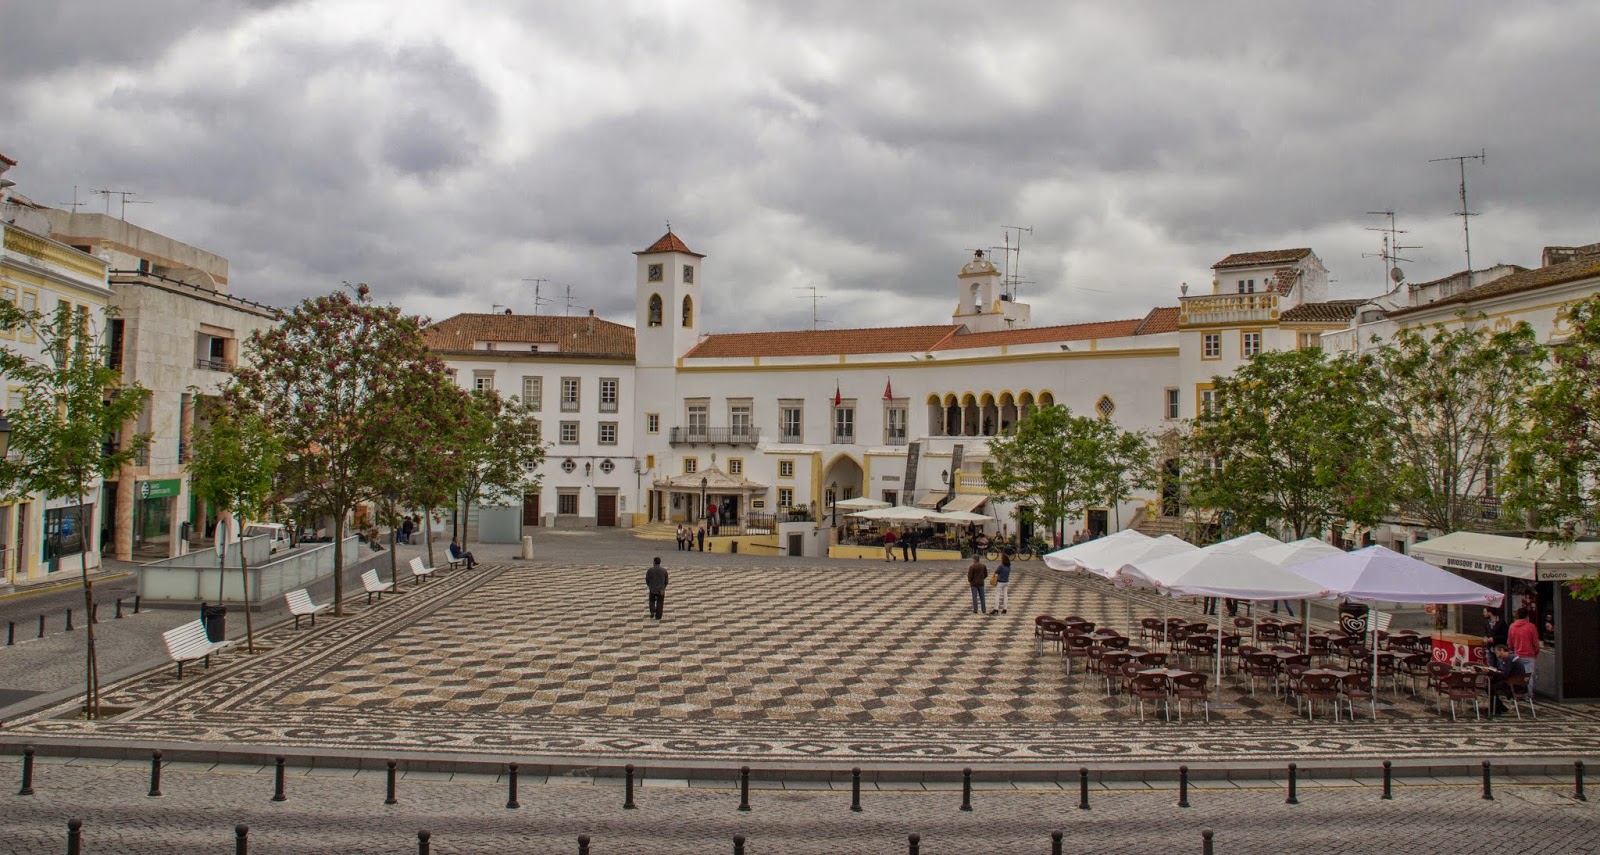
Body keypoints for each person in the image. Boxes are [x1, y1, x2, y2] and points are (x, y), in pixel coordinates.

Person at [1487, 643, 1527, 716]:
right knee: (1492, 684)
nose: (1496, 655)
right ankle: (1498, 707)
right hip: (1521, 684)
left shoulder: (1509, 659)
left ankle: (1498, 707)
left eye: (1497, 653)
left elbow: (1504, 674)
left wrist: (1493, 672)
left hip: (1514, 686)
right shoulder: (1512, 657)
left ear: (1502, 650)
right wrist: (1496, 670)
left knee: (1489, 687)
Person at [1507, 607, 1540, 689]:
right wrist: (1536, 652)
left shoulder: (1512, 627)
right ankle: (1529, 694)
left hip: (1517, 654)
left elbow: (1510, 643)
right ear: (1527, 616)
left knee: (1518, 676)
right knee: (1529, 677)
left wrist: (1512, 650)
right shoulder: (1531, 627)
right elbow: (1535, 642)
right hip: (1529, 655)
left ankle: (1518, 692)